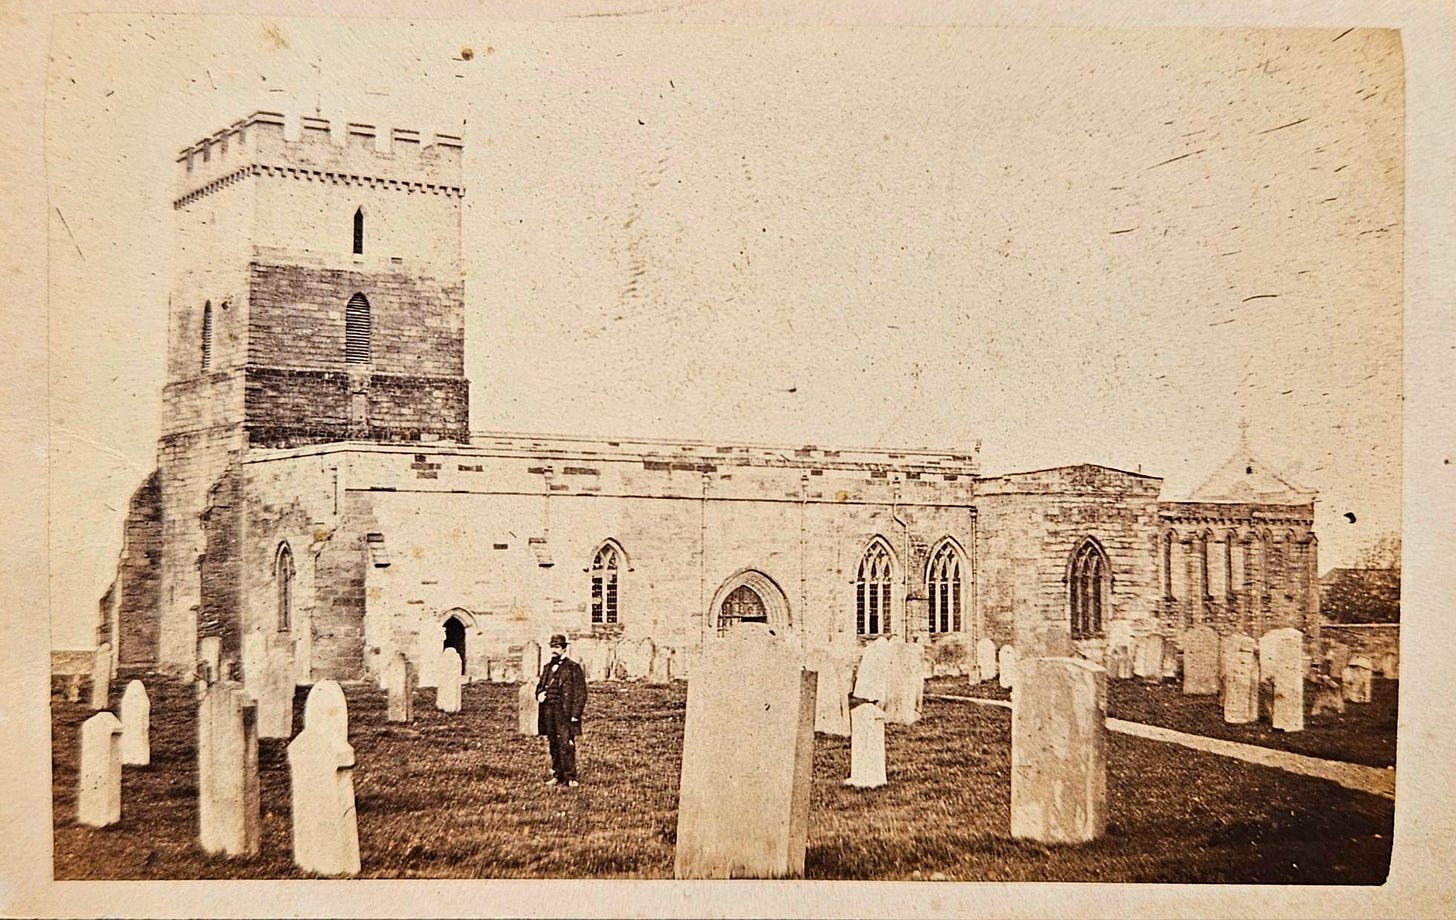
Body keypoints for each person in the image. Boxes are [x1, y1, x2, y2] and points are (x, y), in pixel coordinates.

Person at [535, 633, 587, 787]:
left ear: (564, 649)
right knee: (553, 743)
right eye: (552, 646)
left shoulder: (573, 668)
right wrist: (539, 694)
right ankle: (557, 775)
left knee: (566, 743)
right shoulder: (547, 668)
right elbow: (540, 687)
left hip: (564, 712)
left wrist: (575, 714)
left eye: (557, 647)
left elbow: (580, 693)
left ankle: (570, 777)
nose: (554, 650)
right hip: (548, 711)